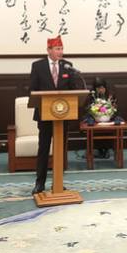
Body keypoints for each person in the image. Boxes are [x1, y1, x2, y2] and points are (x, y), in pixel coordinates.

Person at [29, 36, 79, 195]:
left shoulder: (67, 66)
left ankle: (58, 183)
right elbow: (32, 90)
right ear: (49, 50)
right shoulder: (37, 66)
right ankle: (40, 183)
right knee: (43, 149)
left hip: (63, 115)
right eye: (57, 49)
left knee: (60, 150)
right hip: (45, 116)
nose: (60, 52)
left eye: (62, 49)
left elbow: (73, 90)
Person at [83, 77, 120, 159]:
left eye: (102, 88)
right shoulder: (91, 95)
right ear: (95, 88)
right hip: (94, 118)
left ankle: (106, 149)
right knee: (90, 124)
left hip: (108, 118)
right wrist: (95, 112)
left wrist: (108, 113)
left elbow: (115, 109)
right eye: (98, 88)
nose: (101, 90)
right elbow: (87, 109)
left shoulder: (110, 95)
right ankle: (95, 150)